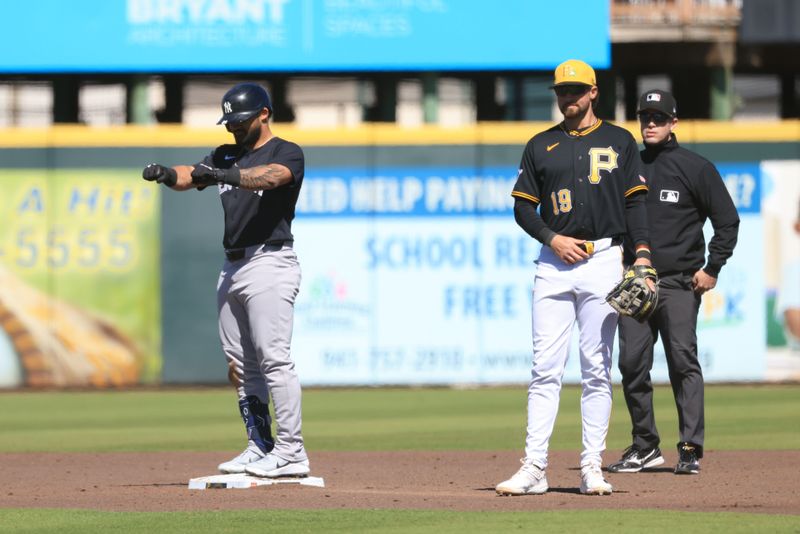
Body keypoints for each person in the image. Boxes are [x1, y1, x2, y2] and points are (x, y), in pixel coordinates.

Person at [496, 59, 652, 496]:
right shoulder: (541, 144)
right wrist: (552, 237)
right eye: (562, 91)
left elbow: (637, 205)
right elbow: (523, 207)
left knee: (596, 369)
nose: (568, 97)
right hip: (553, 261)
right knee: (544, 368)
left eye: (576, 90)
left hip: (604, 258)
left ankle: (590, 467)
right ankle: (534, 468)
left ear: (593, 92)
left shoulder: (619, 140)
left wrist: (641, 256)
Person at [141, 82, 310, 478]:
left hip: (270, 261)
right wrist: (168, 174)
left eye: (240, 120)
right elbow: (192, 175)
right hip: (232, 265)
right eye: (229, 121)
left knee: (274, 360)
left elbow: (271, 177)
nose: (233, 127)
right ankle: (260, 446)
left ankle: (291, 451)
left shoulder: (286, 151)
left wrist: (223, 173)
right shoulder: (226, 154)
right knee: (240, 364)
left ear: (264, 114)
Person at [607, 89, 739, 476]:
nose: (650, 124)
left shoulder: (695, 167)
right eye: (645, 116)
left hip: (681, 282)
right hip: (637, 281)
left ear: (673, 122)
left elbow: (727, 221)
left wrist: (713, 267)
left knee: (682, 362)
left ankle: (690, 448)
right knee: (631, 363)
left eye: (658, 117)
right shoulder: (625, 166)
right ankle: (646, 445)